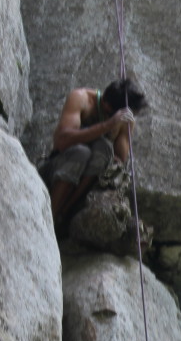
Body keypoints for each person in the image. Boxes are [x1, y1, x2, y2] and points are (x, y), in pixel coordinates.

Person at [39, 78, 147, 231]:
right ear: (107, 105)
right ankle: (50, 218)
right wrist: (106, 125)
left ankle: (66, 211)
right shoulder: (81, 99)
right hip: (57, 168)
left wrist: (117, 130)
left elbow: (119, 162)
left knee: (103, 148)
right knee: (81, 152)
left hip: (85, 186)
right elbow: (61, 141)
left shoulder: (124, 120)